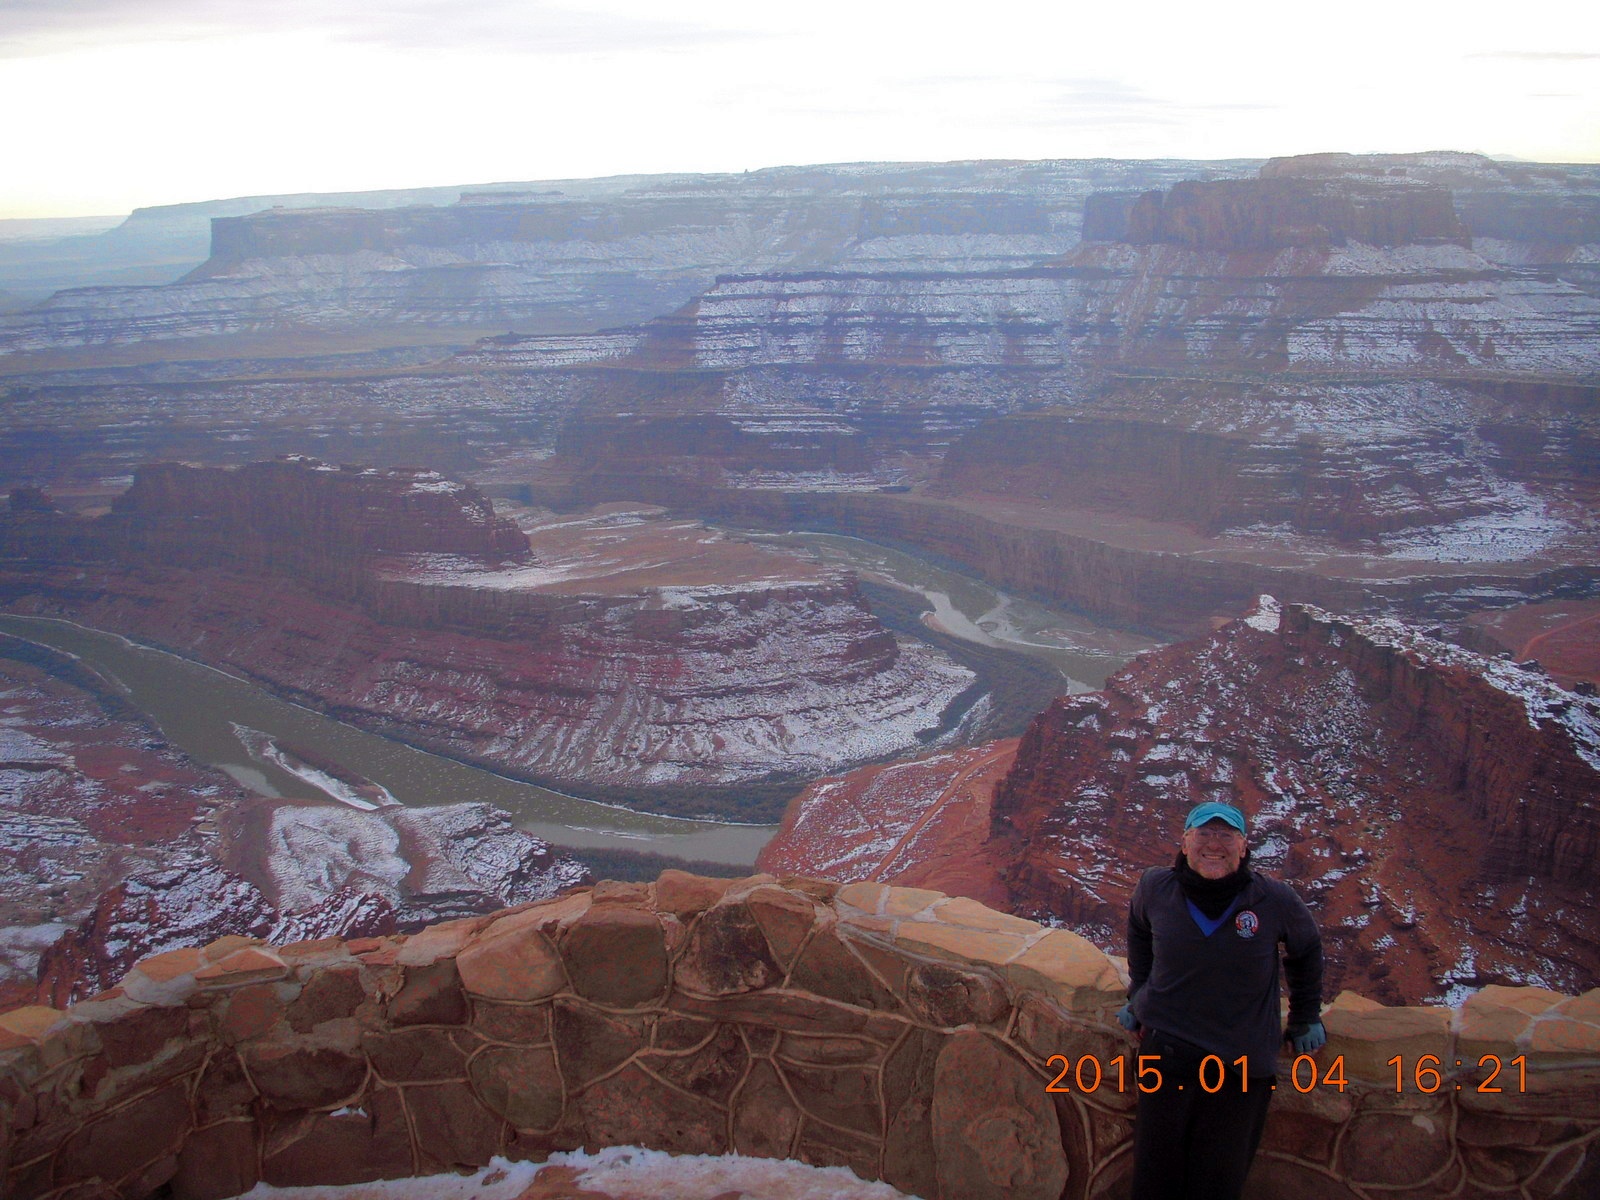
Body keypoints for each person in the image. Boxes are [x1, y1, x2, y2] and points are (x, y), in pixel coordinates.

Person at [1117, 800, 1324, 1200]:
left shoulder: (1273, 899)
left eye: (1226, 835)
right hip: (1167, 1054)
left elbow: (1307, 950)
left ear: (1243, 847)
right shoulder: (1155, 887)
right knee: (1154, 1180)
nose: (1215, 844)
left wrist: (1305, 1016)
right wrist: (1140, 992)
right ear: (1185, 842)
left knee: (1217, 1184)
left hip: (1241, 1064)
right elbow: (1139, 930)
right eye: (1205, 833)